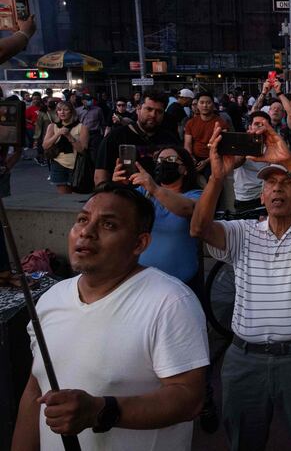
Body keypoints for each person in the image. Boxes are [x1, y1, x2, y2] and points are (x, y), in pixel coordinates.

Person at [12, 183, 209, 450]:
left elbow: (189, 397)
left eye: (108, 225)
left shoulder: (171, 302)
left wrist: (101, 410)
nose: (87, 232)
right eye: (82, 219)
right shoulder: (49, 299)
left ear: (140, 243)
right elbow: (36, 389)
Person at [189, 122, 291, 451]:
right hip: (245, 360)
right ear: (261, 195)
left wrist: (289, 162)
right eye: (270, 184)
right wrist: (216, 177)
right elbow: (199, 228)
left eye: (285, 184)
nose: (277, 190)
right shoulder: (243, 232)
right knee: (244, 442)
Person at [112, 146, 201, 284]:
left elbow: (187, 208)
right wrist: (119, 188)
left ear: (185, 169)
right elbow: (117, 213)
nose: (163, 163)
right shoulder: (144, 192)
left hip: (181, 284)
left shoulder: (195, 195)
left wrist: (154, 188)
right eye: (159, 160)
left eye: (170, 159)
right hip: (142, 281)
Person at [94, 92, 178, 185]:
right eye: (149, 109)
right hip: (126, 195)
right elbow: (100, 176)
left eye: (159, 111)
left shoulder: (170, 139)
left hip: (161, 196)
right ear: (138, 108)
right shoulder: (115, 137)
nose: (153, 115)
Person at [42, 101, 89, 194]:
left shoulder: (82, 127)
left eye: (65, 110)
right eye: (59, 110)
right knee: (64, 197)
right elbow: (45, 145)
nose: (62, 112)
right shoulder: (52, 126)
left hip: (76, 165)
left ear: (71, 112)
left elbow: (82, 150)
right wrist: (58, 134)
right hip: (58, 164)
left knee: (77, 195)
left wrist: (69, 136)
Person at [184, 93, 228, 182]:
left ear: (213, 105)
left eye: (208, 102)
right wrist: (191, 158)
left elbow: (221, 147)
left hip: (213, 158)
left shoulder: (221, 123)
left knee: (213, 180)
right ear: (197, 105)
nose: (205, 105)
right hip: (194, 158)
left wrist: (206, 162)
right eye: (202, 102)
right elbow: (187, 144)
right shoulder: (190, 123)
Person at [231, 111, 269, 213]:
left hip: (266, 196)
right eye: (256, 124)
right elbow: (235, 163)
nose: (260, 127)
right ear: (249, 127)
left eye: (264, 125)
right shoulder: (240, 143)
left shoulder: (272, 146)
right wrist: (247, 144)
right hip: (245, 197)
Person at [77, 92, 106, 162]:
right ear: (83, 101)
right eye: (87, 100)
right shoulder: (78, 110)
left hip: (95, 134)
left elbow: (102, 122)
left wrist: (103, 135)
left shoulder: (98, 109)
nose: (90, 101)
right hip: (82, 134)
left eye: (90, 99)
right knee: (83, 153)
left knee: (95, 155)